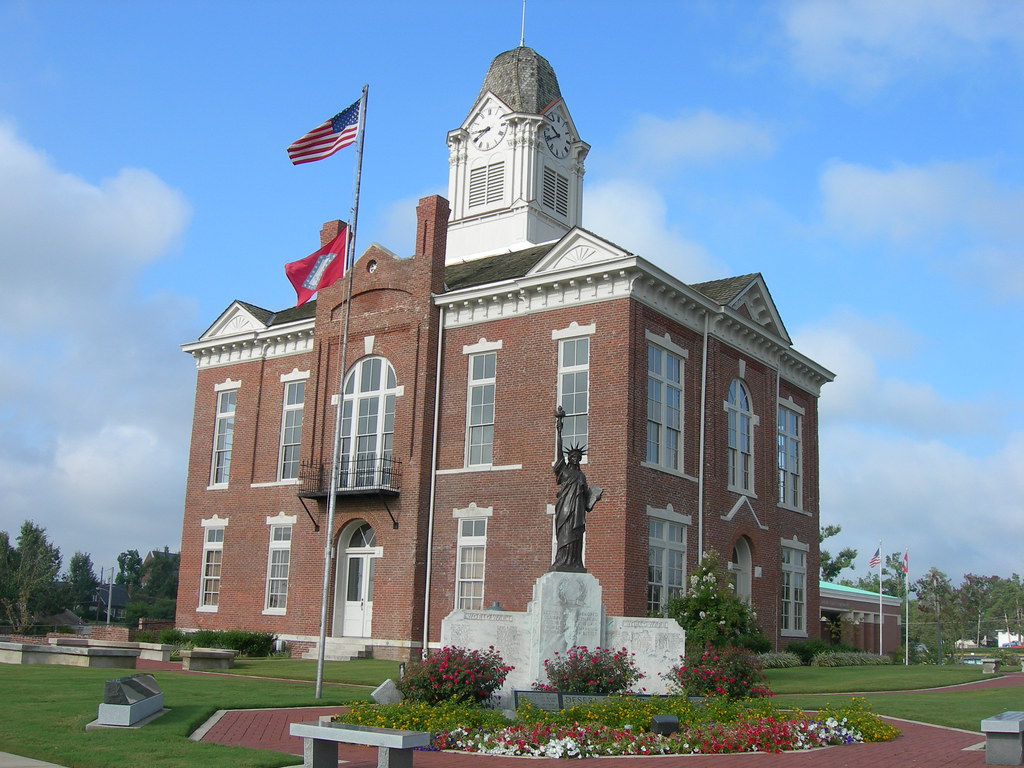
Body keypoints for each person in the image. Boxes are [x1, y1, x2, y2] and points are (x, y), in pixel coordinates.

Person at [551, 405, 602, 572]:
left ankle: (574, 563)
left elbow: (587, 503)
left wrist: (594, 497)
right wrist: (559, 430)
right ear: (569, 458)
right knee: (564, 535)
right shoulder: (563, 471)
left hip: (578, 512)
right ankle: (561, 561)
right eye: (573, 456)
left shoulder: (582, 476)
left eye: (578, 457)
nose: (575, 459)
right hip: (565, 509)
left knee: (577, 537)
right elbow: (558, 452)